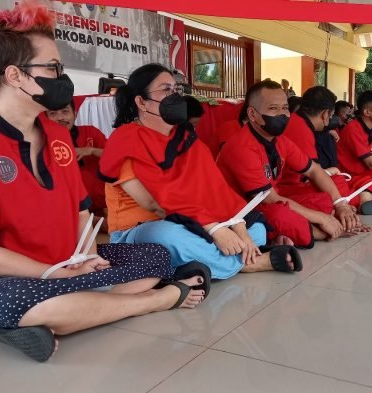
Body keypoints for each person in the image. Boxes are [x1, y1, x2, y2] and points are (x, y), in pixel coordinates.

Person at [0, 3, 205, 363]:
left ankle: (56, 315)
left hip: (64, 264)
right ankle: (153, 300)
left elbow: (81, 213)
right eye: (53, 68)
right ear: (15, 76)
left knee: (156, 255)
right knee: (6, 299)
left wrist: (86, 257)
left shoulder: (58, 136)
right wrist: (50, 273)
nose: (62, 77)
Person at [100, 64, 302, 280]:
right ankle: (249, 263)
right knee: (166, 236)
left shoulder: (185, 138)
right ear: (141, 102)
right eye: (166, 89)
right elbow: (156, 205)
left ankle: (212, 261)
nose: (174, 95)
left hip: (191, 220)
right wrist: (214, 229)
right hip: (143, 230)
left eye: (176, 89)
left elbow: (214, 189)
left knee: (256, 230)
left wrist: (235, 225)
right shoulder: (126, 140)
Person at [217, 80, 367, 248]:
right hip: (245, 208)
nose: (282, 114)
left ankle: (320, 223)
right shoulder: (241, 147)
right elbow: (271, 200)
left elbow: (314, 171)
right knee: (280, 215)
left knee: (329, 191)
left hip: (276, 196)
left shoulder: (281, 141)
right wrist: (321, 218)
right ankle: (321, 231)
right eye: (273, 109)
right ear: (252, 114)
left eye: (285, 108)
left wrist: (341, 206)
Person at [281, 86, 372, 211]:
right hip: (293, 186)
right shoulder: (302, 129)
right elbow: (312, 174)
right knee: (338, 183)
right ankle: (366, 198)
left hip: (356, 176)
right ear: (325, 114)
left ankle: (369, 197)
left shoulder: (299, 123)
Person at [46, 100, 108, 221]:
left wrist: (92, 150)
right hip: (71, 213)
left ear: (75, 113)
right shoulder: (42, 142)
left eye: (65, 111)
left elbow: (116, 155)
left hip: (105, 204)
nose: (60, 117)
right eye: (53, 113)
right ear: (45, 118)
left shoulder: (91, 132)